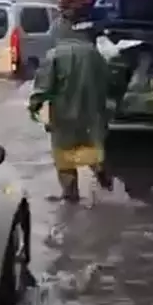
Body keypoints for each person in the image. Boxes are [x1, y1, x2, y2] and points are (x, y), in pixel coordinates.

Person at [27, 18, 114, 202]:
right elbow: (109, 82)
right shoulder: (94, 54)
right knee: (93, 147)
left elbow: (43, 87)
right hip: (92, 115)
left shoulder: (54, 55)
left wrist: (34, 106)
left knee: (64, 154)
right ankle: (105, 180)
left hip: (63, 116)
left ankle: (70, 194)